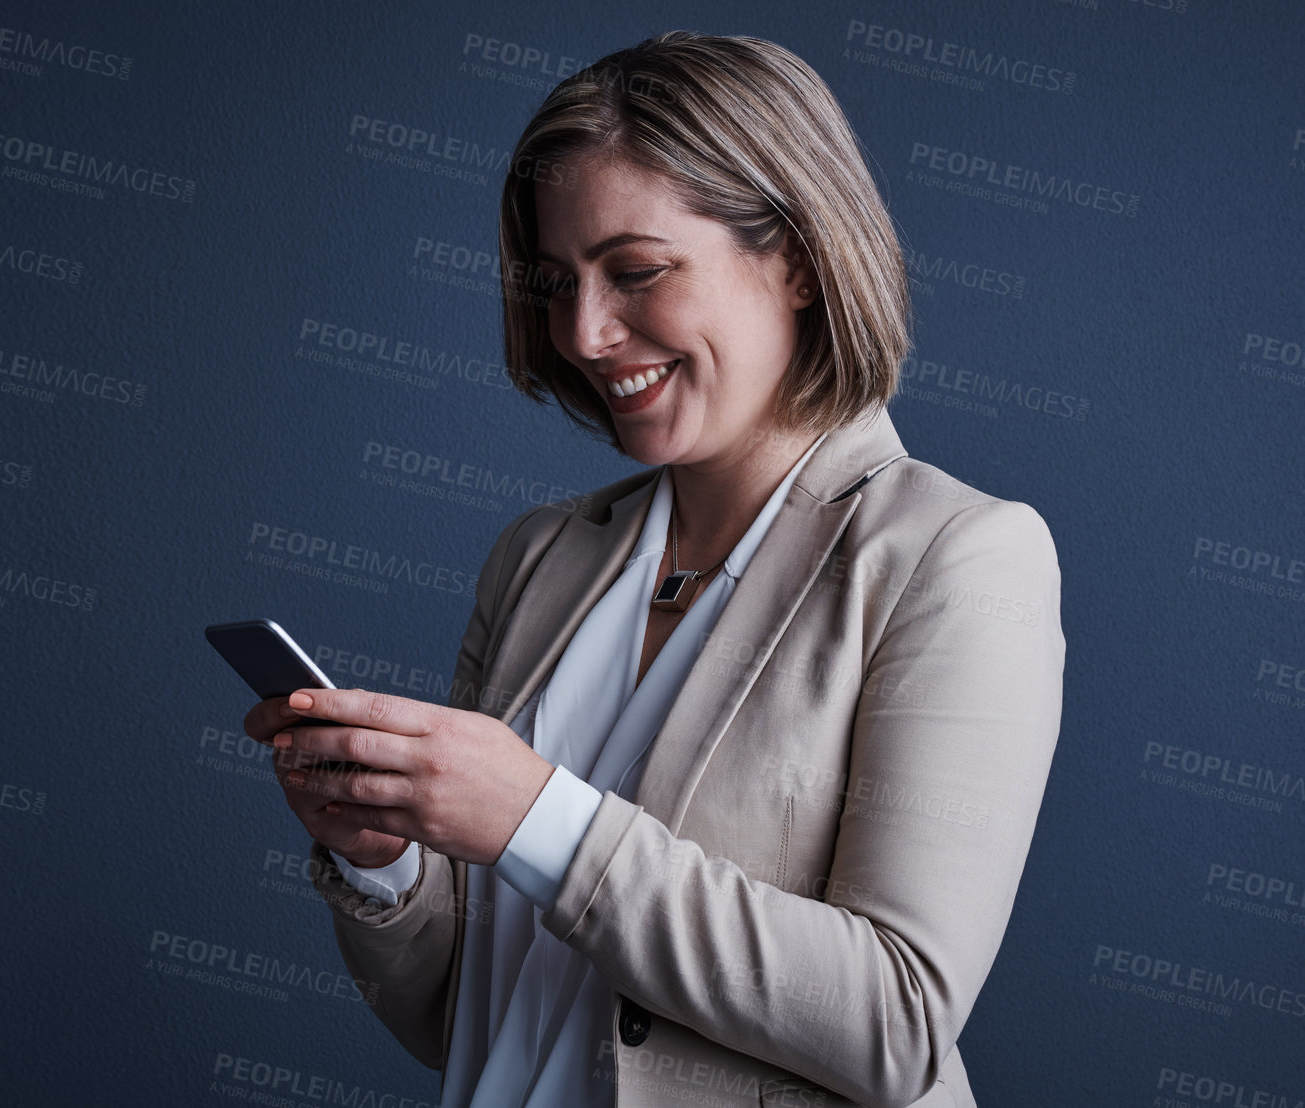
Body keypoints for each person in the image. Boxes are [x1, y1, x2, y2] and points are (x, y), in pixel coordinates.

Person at [242, 31, 1064, 1108]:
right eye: (555, 281)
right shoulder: (537, 557)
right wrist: (382, 856)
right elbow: (463, 1013)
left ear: (801, 261)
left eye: (635, 271)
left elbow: (895, 1019)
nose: (583, 331)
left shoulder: (952, 555)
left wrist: (538, 819)